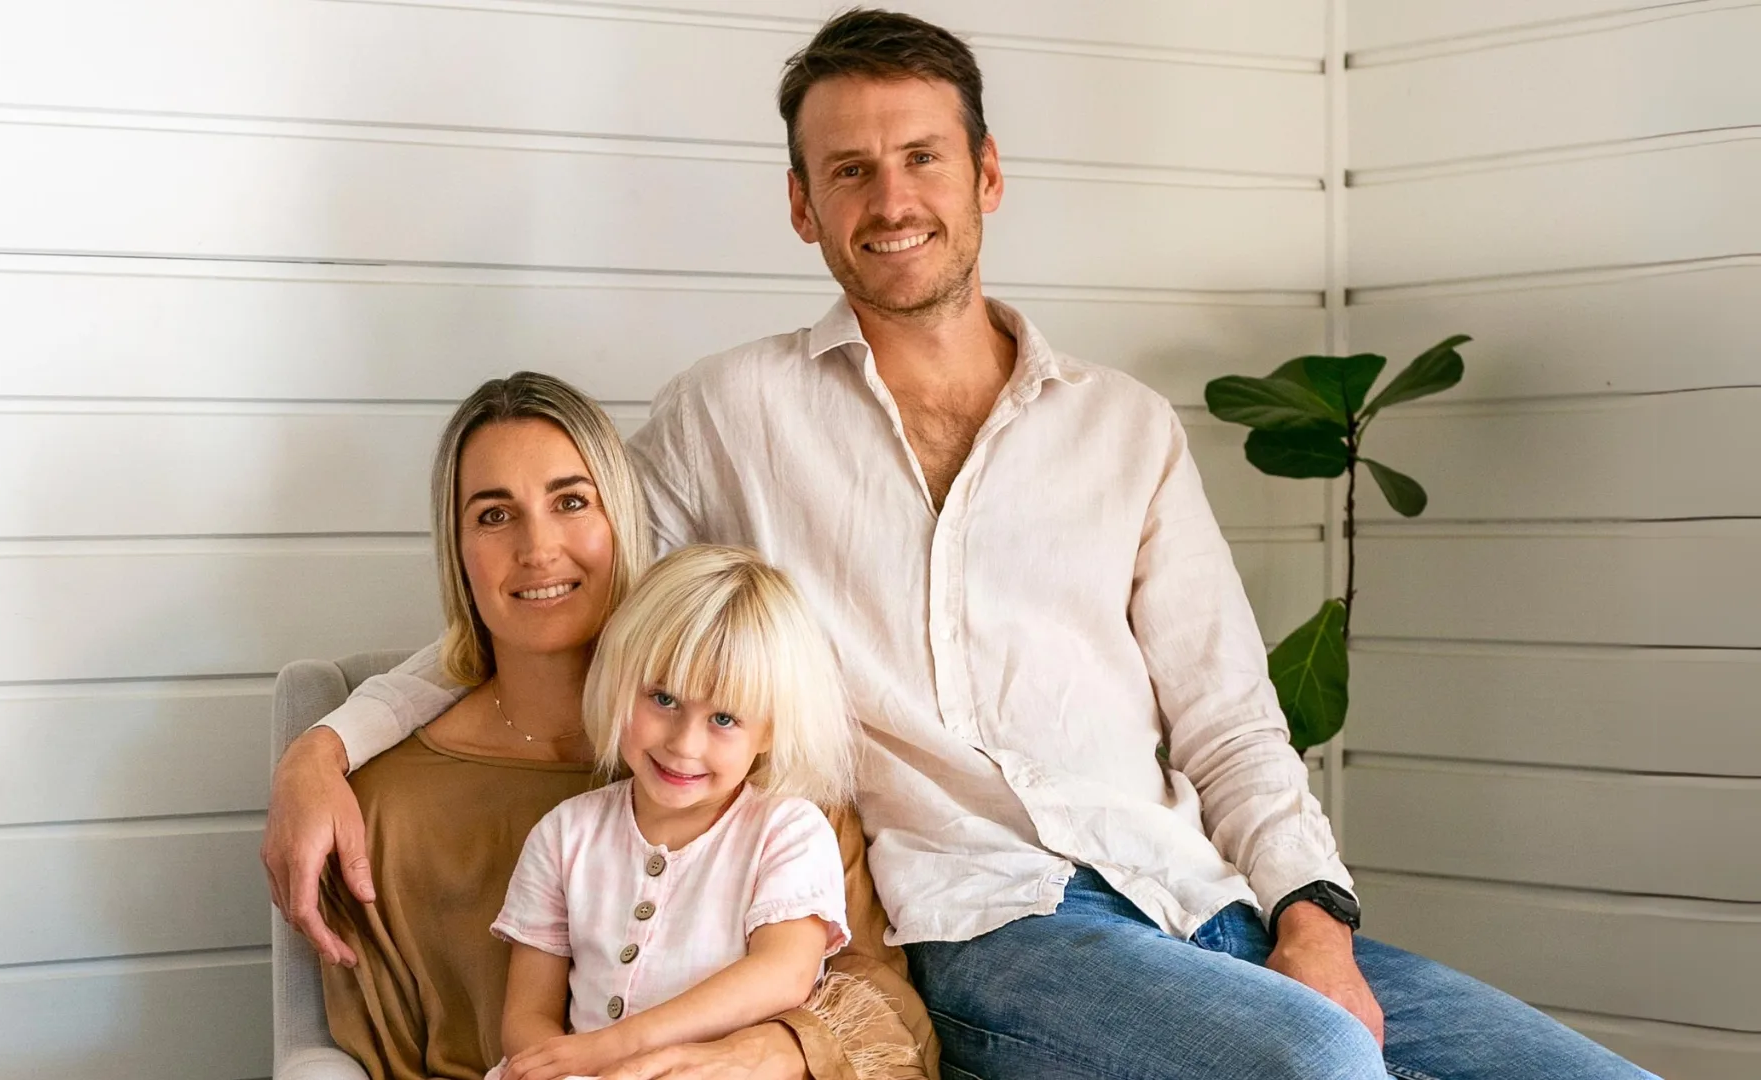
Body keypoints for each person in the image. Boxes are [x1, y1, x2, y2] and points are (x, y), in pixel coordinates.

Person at [270, 11, 1658, 1079]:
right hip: (985, 934)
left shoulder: (1123, 428)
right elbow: (554, 593)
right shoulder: (726, 416)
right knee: (1314, 1066)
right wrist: (326, 744)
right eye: (849, 170)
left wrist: (1311, 922)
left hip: (1199, 900)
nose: (892, 200)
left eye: (922, 157)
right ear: (804, 207)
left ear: (986, 173)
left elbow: (1233, 723)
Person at [302, 372, 933, 1080]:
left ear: (623, 521)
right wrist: (312, 753)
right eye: (494, 514)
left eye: (572, 501)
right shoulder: (383, 809)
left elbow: (881, 1015)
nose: (538, 549)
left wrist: (762, 1053)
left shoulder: (776, 779)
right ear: (456, 549)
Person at [490, 545, 880, 1080]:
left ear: (769, 729)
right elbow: (526, 1017)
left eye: (724, 718)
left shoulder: (788, 832)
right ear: (620, 681)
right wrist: (565, 1068)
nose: (684, 745)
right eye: (664, 699)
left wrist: (616, 1047)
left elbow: (783, 973)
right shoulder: (564, 833)